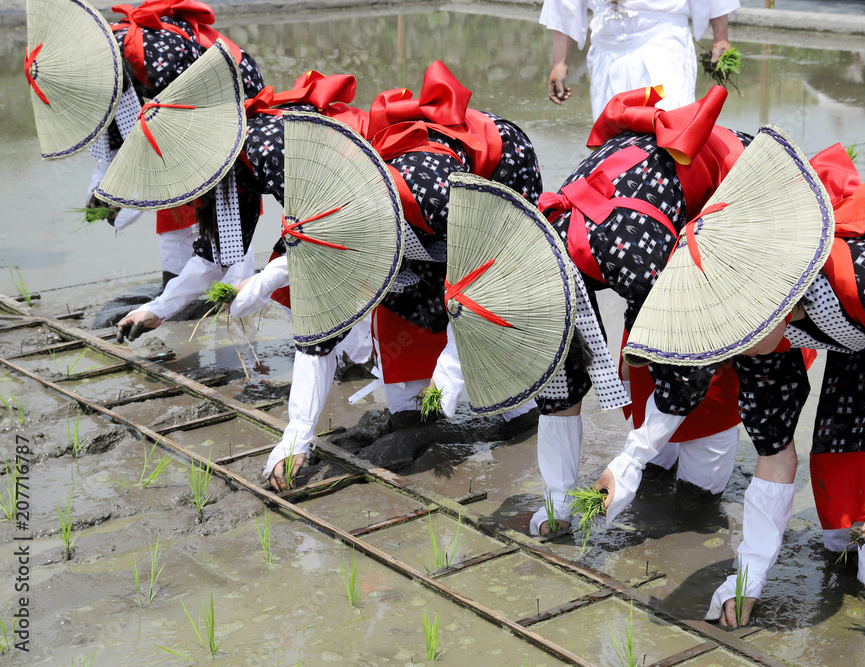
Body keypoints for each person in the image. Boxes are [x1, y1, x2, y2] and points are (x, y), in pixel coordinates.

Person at [614, 133, 865, 625]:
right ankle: (856, 542)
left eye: (739, 334)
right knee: (840, 516)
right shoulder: (758, 331)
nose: (734, 350)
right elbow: (775, 456)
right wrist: (748, 576)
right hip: (860, 323)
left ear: (777, 298)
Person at [227, 62, 544, 490]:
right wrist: (297, 435)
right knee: (406, 396)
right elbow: (317, 339)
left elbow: (497, 274)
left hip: (489, 180)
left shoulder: (438, 197)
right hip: (410, 224)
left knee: (479, 320)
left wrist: (451, 370)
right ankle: (414, 401)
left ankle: (518, 409)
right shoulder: (332, 218)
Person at [518, 84, 759, 535]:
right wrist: (557, 503)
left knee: (698, 490)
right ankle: (651, 456)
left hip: (727, 188)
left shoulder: (629, 254)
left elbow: (692, 363)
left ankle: (682, 466)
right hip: (648, 221)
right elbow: (560, 389)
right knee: (654, 437)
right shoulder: (541, 247)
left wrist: (628, 462)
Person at [87, 0, 266, 286]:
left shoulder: (156, 60)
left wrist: (121, 197)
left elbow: (147, 142)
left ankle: (236, 288)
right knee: (175, 197)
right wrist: (102, 191)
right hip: (183, 115)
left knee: (225, 203)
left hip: (225, 105)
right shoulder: (109, 66)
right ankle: (180, 284)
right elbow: (118, 136)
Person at [541, 0, 739, 119]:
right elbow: (564, 5)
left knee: (668, 130)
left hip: (663, 38)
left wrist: (721, 37)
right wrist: (558, 63)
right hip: (607, 46)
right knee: (611, 143)